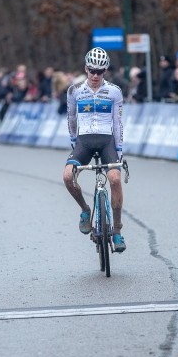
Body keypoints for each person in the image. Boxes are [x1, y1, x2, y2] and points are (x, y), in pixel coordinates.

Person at [62, 47, 126, 252]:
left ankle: (117, 231)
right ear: (86, 68)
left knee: (115, 179)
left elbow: (117, 123)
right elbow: (71, 119)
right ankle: (84, 210)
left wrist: (119, 150)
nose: (95, 75)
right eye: (92, 70)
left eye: (100, 71)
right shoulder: (75, 91)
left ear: (105, 71)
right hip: (84, 142)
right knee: (67, 177)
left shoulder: (114, 91)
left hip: (107, 141)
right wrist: (74, 144)